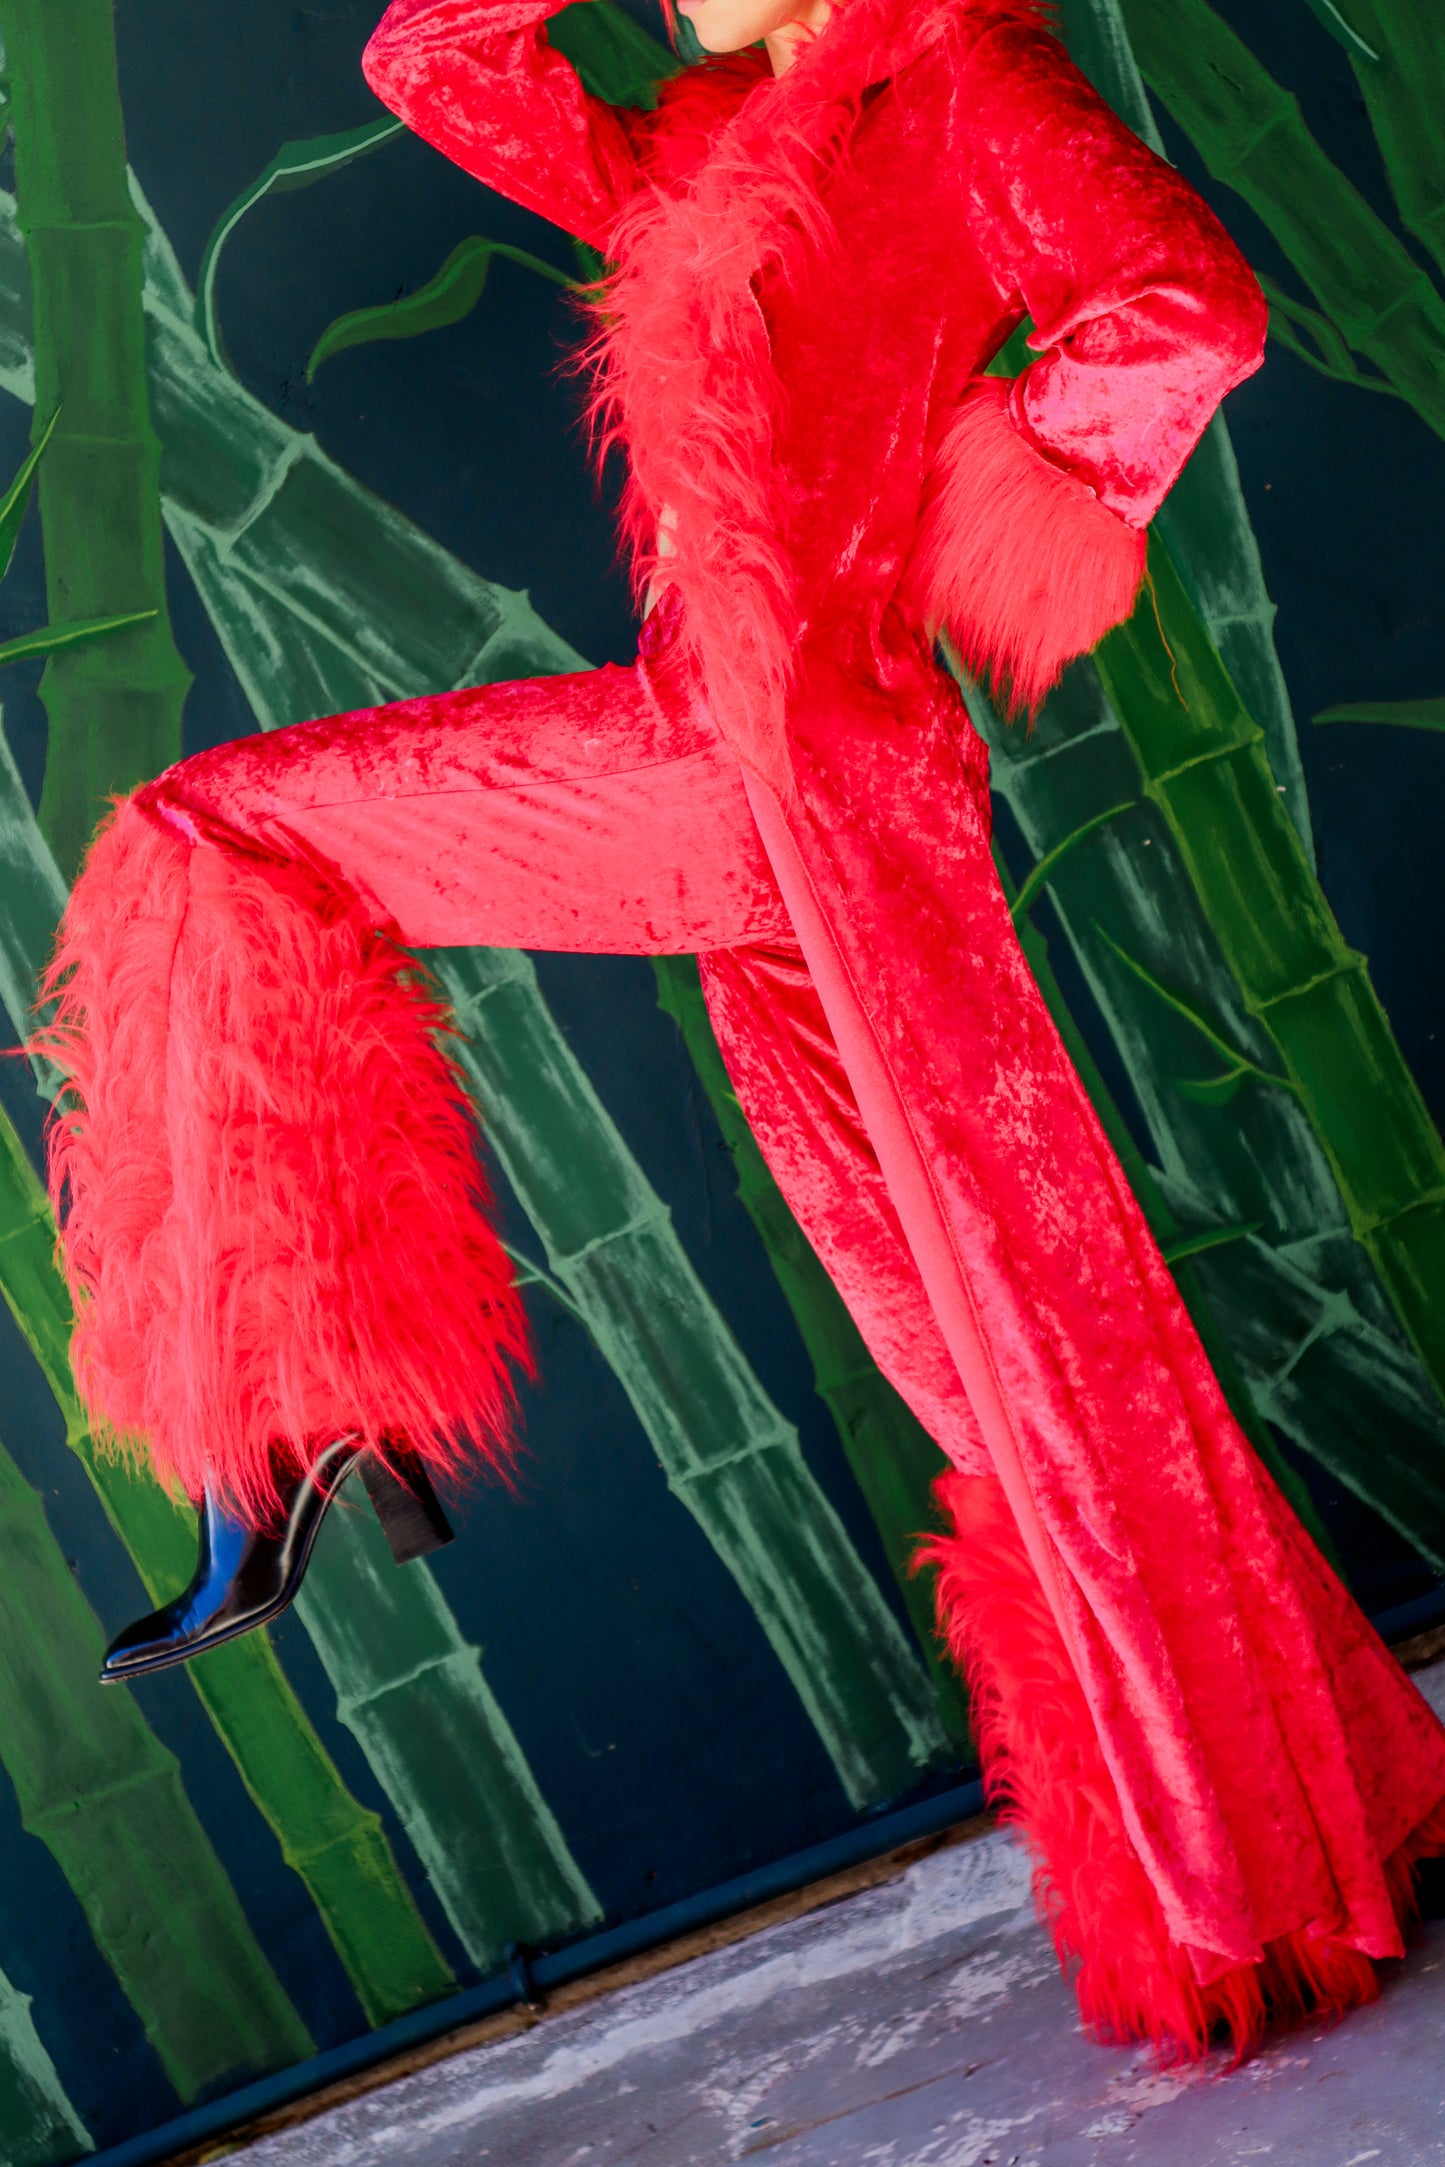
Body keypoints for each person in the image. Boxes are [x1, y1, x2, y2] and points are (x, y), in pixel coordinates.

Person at [41, 0, 1445, 2058]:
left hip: (809, 766)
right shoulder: (698, 146)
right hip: (758, 785)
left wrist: (977, 522)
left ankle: (286, 1416)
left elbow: (1185, 310)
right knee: (985, 1357)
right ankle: (1328, 1803)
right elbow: (436, 64)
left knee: (212, 829)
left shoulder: (957, 79)